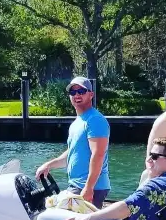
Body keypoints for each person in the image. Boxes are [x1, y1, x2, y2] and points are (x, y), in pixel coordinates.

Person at [35, 77, 110, 207]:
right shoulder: (78, 122)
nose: (77, 95)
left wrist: (89, 187)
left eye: (81, 91)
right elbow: (73, 153)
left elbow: (98, 154)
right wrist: (49, 165)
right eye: (73, 92)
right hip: (76, 185)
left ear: (91, 94)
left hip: (89, 187)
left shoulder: (95, 120)